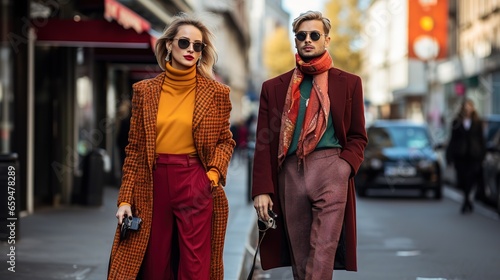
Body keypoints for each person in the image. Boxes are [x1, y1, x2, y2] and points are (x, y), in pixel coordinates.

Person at [107, 12, 235, 280]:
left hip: (195, 179)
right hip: (152, 182)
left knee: (195, 265)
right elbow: (134, 150)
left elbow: (225, 140)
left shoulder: (217, 93)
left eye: (197, 46)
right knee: (155, 264)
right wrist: (125, 199)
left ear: (202, 52)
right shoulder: (145, 91)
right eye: (184, 43)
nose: (190, 50)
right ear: (168, 45)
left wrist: (211, 175)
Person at [251, 11, 367, 280]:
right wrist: (262, 190)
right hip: (290, 172)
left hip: (332, 169)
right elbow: (263, 143)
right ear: (295, 41)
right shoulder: (274, 87)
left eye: (314, 35)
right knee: (300, 257)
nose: (307, 40)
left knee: (324, 249)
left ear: (326, 40)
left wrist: (344, 167)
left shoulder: (349, 83)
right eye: (301, 36)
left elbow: (358, 135)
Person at [446, 98, 485, 214]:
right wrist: (449, 156)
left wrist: (483, 154)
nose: (467, 109)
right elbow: (452, 140)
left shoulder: (478, 122)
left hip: (474, 156)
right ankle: (467, 200)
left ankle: (466, 201)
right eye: (465, 107)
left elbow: (481, 139)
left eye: (469, 106)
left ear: (472, 108)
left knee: (471, 178)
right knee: (462, 179)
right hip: (460, 156)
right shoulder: (456, 122)